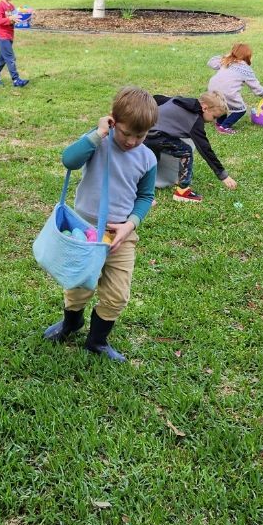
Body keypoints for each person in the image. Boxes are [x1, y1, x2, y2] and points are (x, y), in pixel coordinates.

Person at [43, 86, 159, 362]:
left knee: (117, 293)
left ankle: (97, 341)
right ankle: (72, 323)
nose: (131, 141)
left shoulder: (148, 158)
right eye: (126, 133)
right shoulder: (99, 142)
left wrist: (129, 225)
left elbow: (145, 196)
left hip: (120, 234)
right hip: (85, 229)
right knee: (78, 284)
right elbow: (68, 160)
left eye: (140, 136)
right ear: (112, 121)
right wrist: (98, 135)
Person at [144, 92, 237, 203]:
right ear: (205, 108)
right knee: (186, 151)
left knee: (152, 160)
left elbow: (157, 98)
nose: (213, 121)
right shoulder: (195, 120)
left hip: (143, 132)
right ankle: (182, 192)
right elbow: (205, 149)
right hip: (154, 135)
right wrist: (223, 175)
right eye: (214, 117)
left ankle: (142, 189)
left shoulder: (180, 100)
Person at [206, 43, 263, 132]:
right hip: (227, 92)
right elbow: (255, 85)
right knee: (241, 109)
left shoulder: (226, 61)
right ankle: (225, 126)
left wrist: (226, 56)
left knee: (222, 106)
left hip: (212, 89)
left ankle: (220, 123)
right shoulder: (245, 69)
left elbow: (211, 62)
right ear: (248, 56)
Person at [0, 0, 30, 87]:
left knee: (2, 59)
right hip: (3, 36)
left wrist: (25, 15)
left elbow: (15, 19)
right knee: (10, 58)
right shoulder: (0, 6)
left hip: (10, 35)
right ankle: (16, 80)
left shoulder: (12, 7)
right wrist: (10, 18)